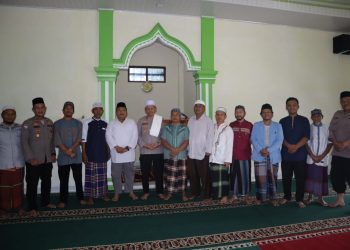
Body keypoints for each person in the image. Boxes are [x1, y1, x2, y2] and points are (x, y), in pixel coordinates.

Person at [22, 97, 56, 217]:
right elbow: (24, 142)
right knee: (32, 184)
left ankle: (45, 202)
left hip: (47, 159)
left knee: (46, 182)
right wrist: (30, 158)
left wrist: (52, 153)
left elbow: (52, 141)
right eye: (37, 108)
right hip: (34, 161)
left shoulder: (49, 122)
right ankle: (31, 207)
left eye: (42, 107)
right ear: (33, 109)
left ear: (45, 108)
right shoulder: (27, 123)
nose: (40, 110)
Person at [54, 101, 86, 208]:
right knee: (63, 180)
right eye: (66, 108)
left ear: (73, 110)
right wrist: (66, 151)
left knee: (78, 179)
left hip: (76, 155)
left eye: (70, 108)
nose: (68, 110)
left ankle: (80, 198)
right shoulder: (57, 124)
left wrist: (71, 149)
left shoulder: (78, 123)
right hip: (63, 157)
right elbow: (57, 139)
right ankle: (63, 200)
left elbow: (79, 138)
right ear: (63, 110)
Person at [279, 97, 310, 208]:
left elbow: (306, 137)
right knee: (286, 177)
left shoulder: (304, 120)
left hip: (300, 155)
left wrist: (296, 146)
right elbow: (280, 137)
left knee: (300, 178)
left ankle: (299, 199)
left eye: (294, 105)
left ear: (298, 106)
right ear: (286, 107)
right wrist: (289, 146)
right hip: (286, 155)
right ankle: (287, 197)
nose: (292, 107)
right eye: (289, 105)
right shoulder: (282, 121)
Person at [251, 104, 284, 206]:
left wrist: (268, 150)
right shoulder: (256, 125)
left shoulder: (278, 126)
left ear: (272, 114)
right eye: (264, 112)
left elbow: (280, 140)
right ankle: (260, 198)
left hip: (273, 155)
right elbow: (253, 138)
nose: (266, 114)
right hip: (259, 154)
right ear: (261, 114)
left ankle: (273, 198)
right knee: (260, 178)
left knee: (272, 177)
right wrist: (261, 149)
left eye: (268, 112)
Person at [106, 102, 138, 202]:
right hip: (116, 154)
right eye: (119, 110)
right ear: (116, 112)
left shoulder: (132, 122)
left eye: (123, 110)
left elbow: (135, 136)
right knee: (115, 175)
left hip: (129, 153)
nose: (121, 112)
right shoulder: (111, 123)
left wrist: (127, 148)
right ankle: (117, 193)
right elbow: (108, 136)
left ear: (126, 112)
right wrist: (116, 147)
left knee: (129, 175)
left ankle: (130, 192)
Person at [82, 102, 110, 205]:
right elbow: (83, 140)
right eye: (96, 109)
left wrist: (108, 152)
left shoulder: (106, 123)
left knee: (102, 175)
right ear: (92, 111)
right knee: (90, 176)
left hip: (102, 153)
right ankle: (90, 197)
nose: (98, 111)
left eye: (100, 109)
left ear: (102, 111)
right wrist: (84, 154)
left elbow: (108, 139)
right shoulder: (87, 122)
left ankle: (104, 194)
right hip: (90, 154)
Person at [0, 106, 25, 216]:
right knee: (3, 189)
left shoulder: (20, 128)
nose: (10, 116)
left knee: (18, 188)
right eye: (7, 114)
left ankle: (18, 207)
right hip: (3, 165)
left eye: (12, 114)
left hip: (19, 163)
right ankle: (2, 209)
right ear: (2, 115)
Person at [137, 100, 164, 200]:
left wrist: (158, 144)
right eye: (148, 108)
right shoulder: (141, 120)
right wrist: (145, 145)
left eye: (152, 108)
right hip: (145, 151)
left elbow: (164, 135)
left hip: (158, 151)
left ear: (155, 109)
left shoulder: (160, 120)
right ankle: (145, 192)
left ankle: (160, 192)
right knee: (145, 173)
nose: (150, 110)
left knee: (159, 173)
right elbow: (138, 135)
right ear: (145, 110)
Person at [304, 109, 332, 206]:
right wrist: (313, 156)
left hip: (322, 158)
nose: (316, 117)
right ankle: (310, 197)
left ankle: (321, 199)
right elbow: (306, 143)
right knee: (311, 178)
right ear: (311, 117)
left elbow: (329, 143)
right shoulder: (309, 128)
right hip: (311, 157)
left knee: (321, 179)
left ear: (322, 116)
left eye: (318, 115)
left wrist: (322, 156)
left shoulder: (327, 128)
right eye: (314, 116)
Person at [187, 100, 214, 200]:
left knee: (205, 176)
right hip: (191, 152)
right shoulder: (191, 120)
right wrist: (187, 149)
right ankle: (195, 193)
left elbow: (210, 136)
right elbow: (188, 135)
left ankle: (207, 195)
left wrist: (208, 150)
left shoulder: (208, 121)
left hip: (203, 153)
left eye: (200, 106)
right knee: (193, 175)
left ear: (204, 109)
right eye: (196, 106)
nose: (197, 108)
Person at [161, 108, 189, 201]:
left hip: (181, 156)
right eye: (173, 115)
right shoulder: (166, 128)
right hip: (169, 155)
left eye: (177, 115)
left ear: (180, 116)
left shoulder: (185, 128)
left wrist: (177, 150)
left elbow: (186, 141)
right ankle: (169, 193)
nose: (175, 117)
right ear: (170, 116)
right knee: (169, 176)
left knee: (183, 176)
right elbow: (163, 141)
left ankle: (183, 194)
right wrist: (172, 149)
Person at [328, 91, 350, 208]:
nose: (345, 103)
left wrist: (346, 143)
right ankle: (340, 200)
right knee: (336, 177)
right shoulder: (338, 113)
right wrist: (336, 143)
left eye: (348, 101)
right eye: (343, 101)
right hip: (337, 153)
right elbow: (330, 130)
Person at [229, 105, 253, 202]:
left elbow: (253, 140)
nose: (238, 114)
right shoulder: (231, 125)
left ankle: (245, 194)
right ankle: (234, 195)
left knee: (245, 175)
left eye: (240, 112)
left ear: (244, 113)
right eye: (237, 112)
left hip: (245, 155)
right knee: (234, 176)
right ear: (234, 113)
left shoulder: (250, 125)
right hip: (233, 155)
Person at [209, 107, 233, 204]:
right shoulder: (212, 127)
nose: (219, 116)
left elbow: (230, 145)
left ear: (225, 116)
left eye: (221, 115)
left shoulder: (228, 129)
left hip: (223, 158)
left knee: (223, 179)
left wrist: (228, 160)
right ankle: (215, 196)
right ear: (215, 116)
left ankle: (224, 197)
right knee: (214, 178)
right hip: (213, 157)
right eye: (217, 114)